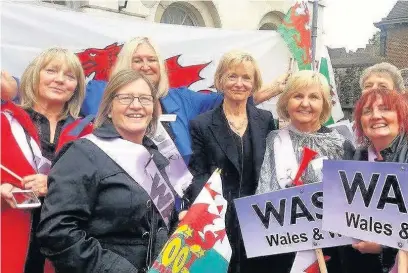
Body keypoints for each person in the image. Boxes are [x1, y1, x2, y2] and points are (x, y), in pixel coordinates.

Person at [37, 69, 177, 273]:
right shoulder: (83, 153)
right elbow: (56, 231)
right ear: (109, 109)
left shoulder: (157, 157)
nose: (136, 105)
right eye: (126, 98)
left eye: (145, 99)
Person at [82, 37, 287, 163]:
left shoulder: (182, 98)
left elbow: (230, 99)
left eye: (151, 60)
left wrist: (271, 90)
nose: (146, 66)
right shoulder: (99, 92)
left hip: (179, 200)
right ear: (125, 64)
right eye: (138, 60)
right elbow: (63, 98)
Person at [256, 70, 358, 273]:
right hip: (281, 247)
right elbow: (263, 194)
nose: (305, 103)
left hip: (332, 250)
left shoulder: (342, 145)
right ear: (286, 101)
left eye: (314, 97)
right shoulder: (272, 140)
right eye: (298, 96)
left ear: (324, 104)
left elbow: (351, 203)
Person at [1, 48, 91, 273]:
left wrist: (54, 185)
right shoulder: (4, 121)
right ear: (34, 76)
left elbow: (99, 190)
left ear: (76, 88)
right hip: (8, 237)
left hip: (65, 249)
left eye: (70, 76)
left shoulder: (90, 133)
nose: (60, 79)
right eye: (51, 71)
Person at [186, 50, 276, 273]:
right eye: (232, 76)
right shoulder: (201, 124)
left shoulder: (265, 120)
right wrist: (202, 215)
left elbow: (272, 170)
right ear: (220, 80)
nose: (239, 83)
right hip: (218, 219)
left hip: (258, 219)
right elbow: (199, 174)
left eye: (246, 77)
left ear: (254, 83)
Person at [353, 89, 408, 272]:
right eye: (367, 111)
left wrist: (385, 246)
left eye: (385, 109)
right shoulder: (355, 158)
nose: (376, 116)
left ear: (400, 116)